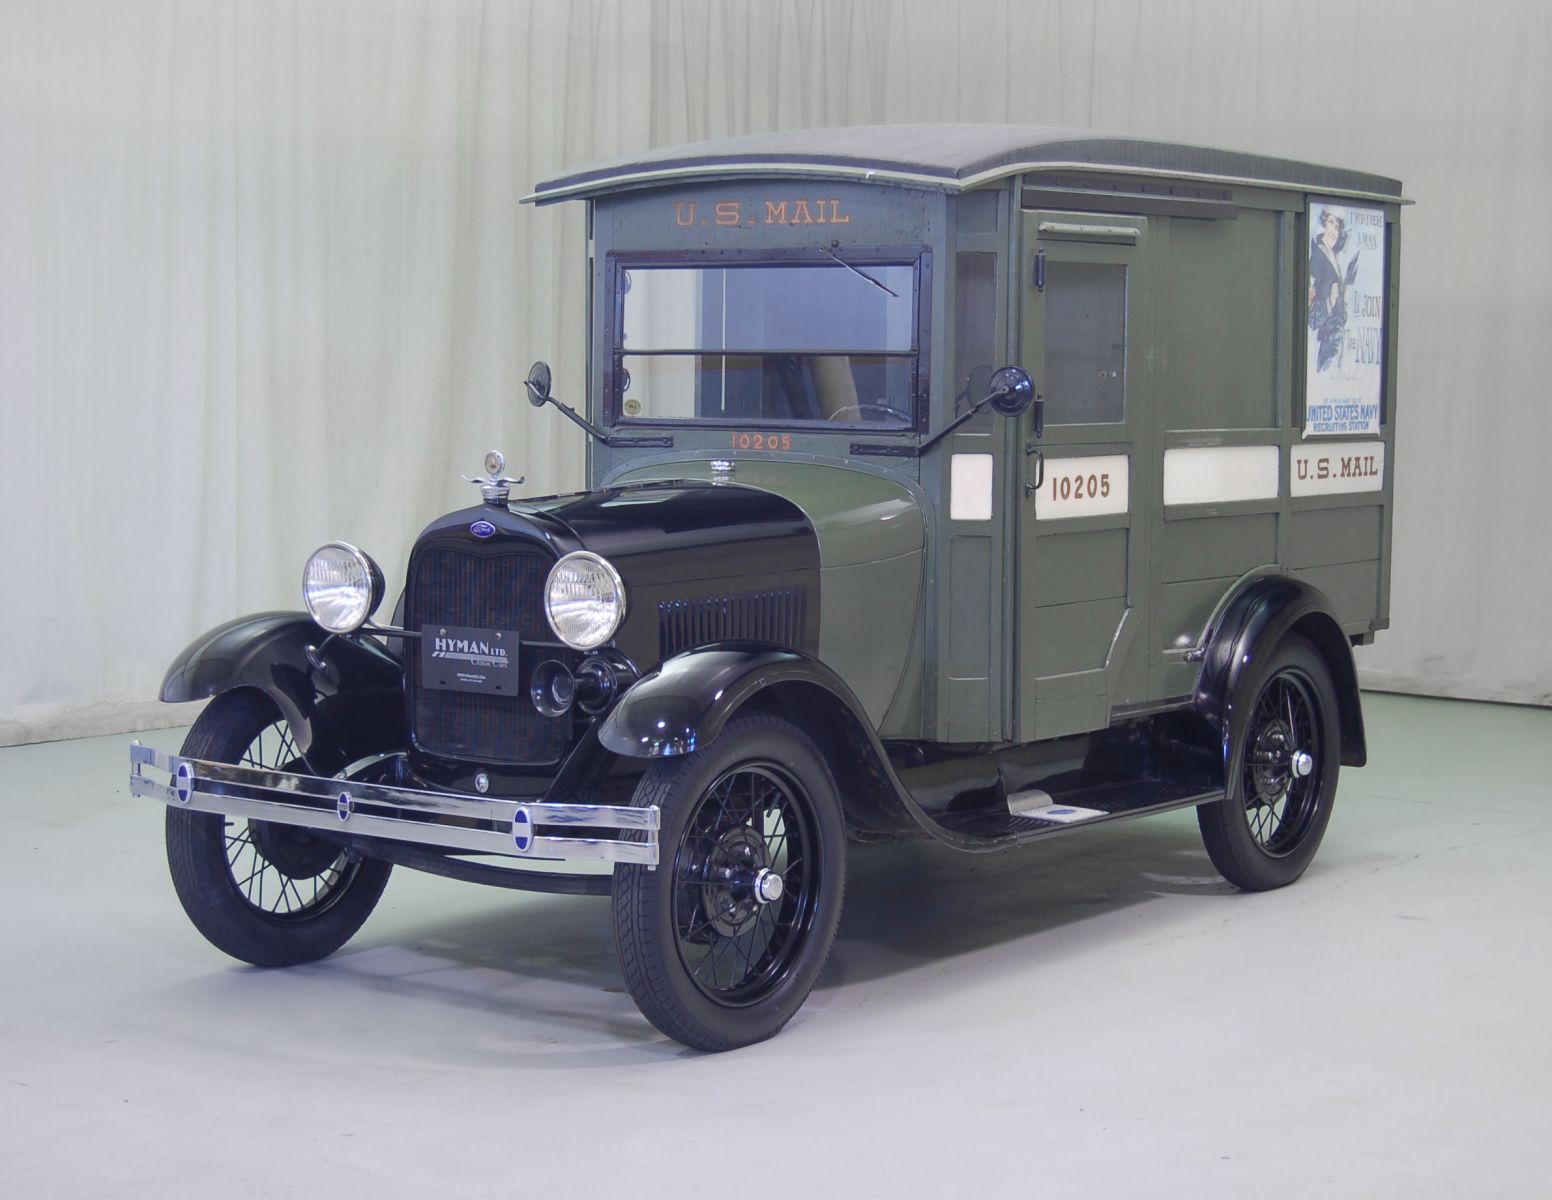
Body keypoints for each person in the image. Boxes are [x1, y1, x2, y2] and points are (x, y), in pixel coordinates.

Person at [1308, 209, 1349, 371]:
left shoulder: (1333, 256)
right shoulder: (1317, 257)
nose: (1334, 231)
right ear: (1324, 224)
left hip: (1337, 341)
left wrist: (1342, 299)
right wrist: (1331, 301)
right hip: (1327, 343)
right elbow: (1312, 318)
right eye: (1331, 223)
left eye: (1337, 227)